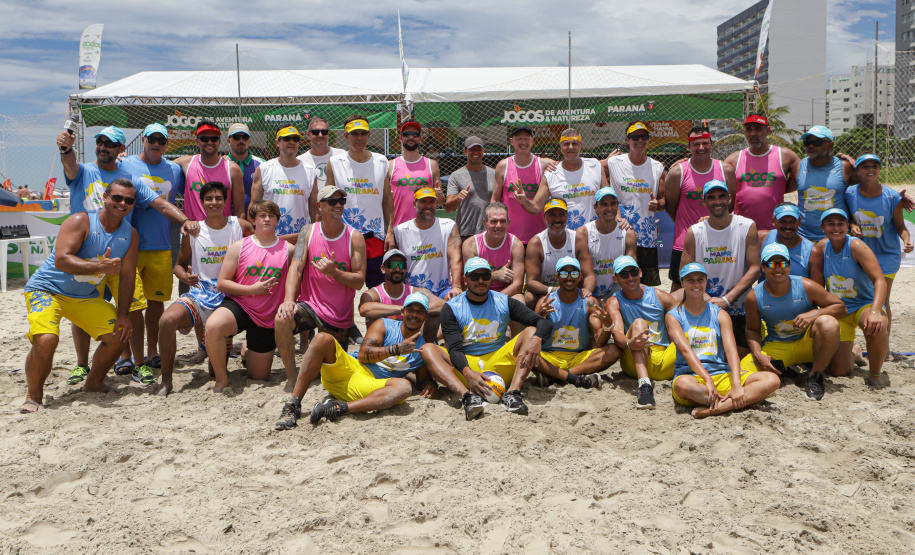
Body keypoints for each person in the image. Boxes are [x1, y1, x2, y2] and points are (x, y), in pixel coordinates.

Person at [56, 125, 198, 387]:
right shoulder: (84, 171)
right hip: (85, 257)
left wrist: (185, 220)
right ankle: (81, 364)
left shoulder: (130, 178)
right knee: (82, 307)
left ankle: (139, 363)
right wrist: (66, 148)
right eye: (100, 142)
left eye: (110, 144)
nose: (103, 147)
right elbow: (69, 164)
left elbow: (160, 203)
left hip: (120, 256)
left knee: (133, 306)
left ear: (121, 149)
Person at [20, 178, 140, 412]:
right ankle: (33, 395)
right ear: (105, 197)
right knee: (46, 339)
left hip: (84, 296)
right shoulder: (81, 220)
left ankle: (94, 383)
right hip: (47, 289)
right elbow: (61, 259)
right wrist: (98, 268)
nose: (122, 203)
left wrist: (124, 314)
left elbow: (127, 277)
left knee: (119, 334)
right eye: (117, 197)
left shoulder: (130, 234)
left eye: (128, 200)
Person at [275, 292, 439, 430]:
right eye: (410, 309)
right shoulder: (384, 325)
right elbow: (363, 355)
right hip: (351, 369)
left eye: (420, 311)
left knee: (403, 387)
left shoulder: (422, 347)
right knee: (322, 339)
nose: (414, 315)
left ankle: (337, 409)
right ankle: (293, 405)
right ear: (402, 312)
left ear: (426, 316)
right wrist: (396, 349)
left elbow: (422, 379)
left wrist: (429, 385)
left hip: (368, 385)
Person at [422, 258, 553, 419]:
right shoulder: (452, 307)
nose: (481, 280)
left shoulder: (503, 301)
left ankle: (513, 393)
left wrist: (537, 339)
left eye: (485, 275)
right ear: (465, 279)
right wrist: (468, 373)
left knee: (532, 331)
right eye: (475, 276)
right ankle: (467, 397)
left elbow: (543, 323)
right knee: (427, 349)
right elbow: (454, 348)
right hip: (468, 366)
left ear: (491, 277)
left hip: (498, 361)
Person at [156, 182, 254, 396]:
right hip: (199, 294)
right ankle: (166, 381)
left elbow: (259, 251)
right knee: (166, 321)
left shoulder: (239, 226)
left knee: (213, 372)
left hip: (228, 299)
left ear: (225, 201)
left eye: (218, 198)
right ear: (201, 202)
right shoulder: (194, 231)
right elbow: (178, 265)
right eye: (209, 198)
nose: (214, 202)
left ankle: (229, 350)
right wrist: (185, 277)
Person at [275, 186, 367, 391]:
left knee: (328, 373)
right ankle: (292, 376)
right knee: (282, 318)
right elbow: (296, 267)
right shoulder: (308, 231)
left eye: (341, 200)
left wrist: (334, 273)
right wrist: (289, 299)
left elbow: (359, 280)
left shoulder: (355, 237)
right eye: (332, 201)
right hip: (311, 305)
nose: (338, 205)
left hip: (339, 314)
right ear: (319, 206)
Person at [668, 262, 781, 419]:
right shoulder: (674, 315)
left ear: (706, 282)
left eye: (700, 280)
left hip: (721, 373)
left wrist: (736, 383)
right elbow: (685, 351)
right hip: (692, 376)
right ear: (682, 283)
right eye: (690, 280)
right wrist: (707, 379)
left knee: (771, 380)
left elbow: (731, 350)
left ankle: (715, 408)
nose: (696, 284)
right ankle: (741, 400)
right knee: (683, 386)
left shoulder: (720, 314)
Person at [204, 200, 294, 393]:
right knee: (213, 326)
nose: (266, 219)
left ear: (278, 220)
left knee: (259, 376)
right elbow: (222, 283)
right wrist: (252, 289)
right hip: (240, 304)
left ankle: (246, 351)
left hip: (267, 317)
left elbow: (295, 284)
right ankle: (221, 380)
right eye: (262, 216)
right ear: (253, 220)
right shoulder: (239, 246)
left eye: (271, 216)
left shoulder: (289, 250)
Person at [120, 123, 186, 374]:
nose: (156, 143)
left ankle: (153, 352)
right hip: (130, 246)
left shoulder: (174, 169)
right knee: (129, 305)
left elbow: (193, 161)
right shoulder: (125, 165)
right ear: (144, 140)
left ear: (167, 144)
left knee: (156, 303)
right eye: (151, 138)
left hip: (161, 245)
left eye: (161, 139)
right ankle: (125, 356)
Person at [741, 243, 846, 401]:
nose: (777, 269)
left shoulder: (806, 285)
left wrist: (816, 312)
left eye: (782, 263)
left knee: (828, 323)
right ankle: (788, 369)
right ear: (762, 267)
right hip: (778, 344)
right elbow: (752, 330)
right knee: (743, 372)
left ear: (790, 266)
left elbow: (841, 308)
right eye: (771, 264)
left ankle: (815, 376)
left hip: (808, 342)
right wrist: (757, 354)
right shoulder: (754, 296)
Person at [810, 208, 890, 388]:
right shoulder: (821, 247)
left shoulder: (856, 246)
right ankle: (855, 352)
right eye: (831, 224)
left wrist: (876, 311)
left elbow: (880, 280)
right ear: (822, 227)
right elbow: (817, 285)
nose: (836, 228)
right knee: (840, 371)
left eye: (841, 224)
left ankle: (875, 373)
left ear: (848, 226)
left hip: (864, 304)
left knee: (877, 325)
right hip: (840, 309)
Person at [681, 179, 760, 357]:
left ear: (729, 198)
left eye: (721, 196)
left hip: (738, 305)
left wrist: (727, 299)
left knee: (744, 354)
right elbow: (684, 270)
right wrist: (707, 298)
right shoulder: (695, 231)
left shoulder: (747, 226)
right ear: (704, 201)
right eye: (712, 198)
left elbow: (755, 268)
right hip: (704, 303)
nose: (717, 202)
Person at [845, 154, 914, 358]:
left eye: (875, 166)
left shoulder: (892, 197)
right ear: (858, 171)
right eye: (865, 166)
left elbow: (901, 226)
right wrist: (852, 225)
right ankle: (852, 346)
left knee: (882, 302)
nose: (870, 170)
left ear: (880, 170)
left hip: (886, 255)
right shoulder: (849, 193)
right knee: (857, 299)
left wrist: (907, 240)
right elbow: (847, 217)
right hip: (859, 256)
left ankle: (883, 349)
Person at [664, 126, 736, 291]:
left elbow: (729, 206)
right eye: (695, 144)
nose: (701, 147)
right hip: (684, 243)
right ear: (688, 147)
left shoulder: (726, 171)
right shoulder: (677, 173)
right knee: (680, 286)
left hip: (718, 243)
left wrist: (709, 225)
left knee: (718, 285)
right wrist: (693, 229)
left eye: (705, 143)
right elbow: (671, 207)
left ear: (711, 144)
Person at [531, 257, 620, 390]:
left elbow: (600, 341)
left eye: (573, 273)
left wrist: (607, 326)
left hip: (579, 358)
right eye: (564, 273)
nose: (569, 277)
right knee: (523, 351)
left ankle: (559, 376)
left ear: (580, 277)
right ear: (557, 277)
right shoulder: (546, 302)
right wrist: (539, 316)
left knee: (614, 350)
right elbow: (533, 338)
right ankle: (573, 377)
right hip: (550, 356)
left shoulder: (589, 302)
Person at [325, 115, 390, 288]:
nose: (359, 137)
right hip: (345, 236)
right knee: (342, 289)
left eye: (363, 133)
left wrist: (389, 231)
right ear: (346, 136)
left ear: (369, 135)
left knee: (377, 290)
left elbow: (387, 199)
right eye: (354, 134)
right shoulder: (335, 162)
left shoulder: (381, 161)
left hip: (375, 237)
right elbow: (328, 201)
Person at [606, 255, 678, 409]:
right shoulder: (614, 301)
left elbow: (680, 328)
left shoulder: (662, 297)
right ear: (615, 278)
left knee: (692, 332)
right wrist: (629, 343)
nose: (630, 277)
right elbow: (617, 333)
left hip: (663, 359)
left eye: (633, 272)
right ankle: (644, 387)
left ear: (640, 272)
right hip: (634, 361)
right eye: (624, 274)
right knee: (639, 324)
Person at [604, 122, 666, 285]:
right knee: (620, 282)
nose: (640, 140)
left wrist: (658, 205)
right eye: (635, 137)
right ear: (627, 139)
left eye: (644, 136)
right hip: (619, 232)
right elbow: (588, 169)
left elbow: (663, 201)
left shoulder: (657, 167)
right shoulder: (613, 163)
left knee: (647, 284)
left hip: (646, 236)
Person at [724, 115, 801, 231]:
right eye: (749, 129)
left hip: (774, 230)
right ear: (744, 132)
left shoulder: (785, 157)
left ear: (768, 130)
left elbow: (801, 178)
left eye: (758, 129)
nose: (753, 133)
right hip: (742, 230)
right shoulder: (733, 160)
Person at [358, 249, 443, 342]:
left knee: (435, 315)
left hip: (411, 345)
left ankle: (424, 345)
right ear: (383, 268)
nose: (398, 269)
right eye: (393, 265)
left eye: (402, 265)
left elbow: (442, 305)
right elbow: (364, 309)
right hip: (383, 347)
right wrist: (404, 309)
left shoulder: (415, 292)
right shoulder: (373, 294)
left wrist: (415, 310)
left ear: (406, 269)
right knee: (374, 314)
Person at [524, 198, 596, 308]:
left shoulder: (578, 239)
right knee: (529, 297)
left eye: (561, 214)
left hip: (574, 292)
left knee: (591, 301)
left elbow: (589, 275)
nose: (557, 219)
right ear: (545, 217)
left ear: (567, 216)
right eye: (552, 215)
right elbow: (530, 282)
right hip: (547, 294)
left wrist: (587, 290)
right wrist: (554, 290)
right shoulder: (536, 243)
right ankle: (538, 323)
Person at [528, 128, 606, 230]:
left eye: (574, 143)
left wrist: (618, 218)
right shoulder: (551, 174)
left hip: (593, 234)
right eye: (566, 144)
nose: (570, 147)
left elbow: (608, 197)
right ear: (560, 147)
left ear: (580, 146)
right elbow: (536, 207)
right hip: (564, 238)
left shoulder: (595, 165)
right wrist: (523, 200)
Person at [392, 187, 462, 299]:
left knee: (456, 300)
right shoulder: (400, 231)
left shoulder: (448, 226)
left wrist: (456, 286)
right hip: (412, 292)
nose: (428, 206)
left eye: (432, 201)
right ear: (414, 204)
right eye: (423, 201)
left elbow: (456, 259)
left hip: (442, 290)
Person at [491, 126, 556, 245]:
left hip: (539, 237)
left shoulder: (544, 164)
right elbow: (495, 199)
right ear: (512, 141)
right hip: (510, 238)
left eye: (526, 138)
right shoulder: (503, 166)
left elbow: (568, 167)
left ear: (532, 141)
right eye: (519, 138)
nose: (523, 142)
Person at [251, 125, 318, 235]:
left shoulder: (310, 171)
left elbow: (314, 210)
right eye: (287, 139)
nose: (291, 142)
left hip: (299, 237)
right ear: (277, 142)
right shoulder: (264, 169)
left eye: (295, 139)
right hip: (270, 237)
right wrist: (256, 235)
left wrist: (315, 236)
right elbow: (254, 205)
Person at [174, 120, 245, 222]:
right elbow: (162, 167)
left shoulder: (232, 169)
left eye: (214, 139)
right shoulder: (186, 163)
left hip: (223, 233)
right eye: (204, 139)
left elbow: (239, 211)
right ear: (197, 141)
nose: (210, 142)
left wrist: (240, 234)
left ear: (219, 141)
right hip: (194, 232)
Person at [577, 187, 636, 300]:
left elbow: (631, 272)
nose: (609, 208)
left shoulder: (628, 234)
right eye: (604, 204)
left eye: (613, 204)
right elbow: (580, 271)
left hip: (616, 290)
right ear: (596, 207)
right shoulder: (583, 233)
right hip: (588, 291)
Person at [386, 119, 444, 230]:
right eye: (407, 134)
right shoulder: (390, 165)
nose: (411, 137)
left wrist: (440, 196)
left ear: (420, 139)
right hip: (399, 228)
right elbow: (385, 201)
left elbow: (440, 202)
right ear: (400, 138)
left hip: (426, 229)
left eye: (415, 134)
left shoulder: (432, 164)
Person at [461, 202, 525, 298]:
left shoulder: (516, 245)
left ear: (508, 223)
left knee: (520, 299)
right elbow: (471, 282)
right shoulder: (471, 245)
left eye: (502, 221)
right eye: (493, 221)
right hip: (479, 293)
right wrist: (494, 276)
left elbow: (517, 285)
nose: (498, 225)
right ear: (485, 223)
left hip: (507, 294)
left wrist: (495, 300)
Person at [445, 135, 496, 243]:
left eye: (479, 149)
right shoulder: (456, 175)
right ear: (465, 151)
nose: (475, 152)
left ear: (483, 151)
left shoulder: (494, 174)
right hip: (465, 232)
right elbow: (449, 208)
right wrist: (458, 198)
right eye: (472, 149)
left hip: (490, 232)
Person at [759, 203, 815, 278]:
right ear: (773, 221)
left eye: (792, 221)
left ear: (799, 221)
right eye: (782, 221)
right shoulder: (760, 239)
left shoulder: (813, 252)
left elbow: (816, 288)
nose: (788, 226)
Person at [297, 116, 345, 190]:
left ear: (328, 133)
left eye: (324, 132)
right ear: (308, 134)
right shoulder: (300, 161)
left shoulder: (341, 155)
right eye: (315, 132)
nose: (320, 135)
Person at [226, 123, 265, 213]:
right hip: (227, 221)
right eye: (236, 137)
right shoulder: (221, 164)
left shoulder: (262, 164)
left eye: (245, 137)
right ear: (228, 141)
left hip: (254, 220)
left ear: (249, 141)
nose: (241, 141)